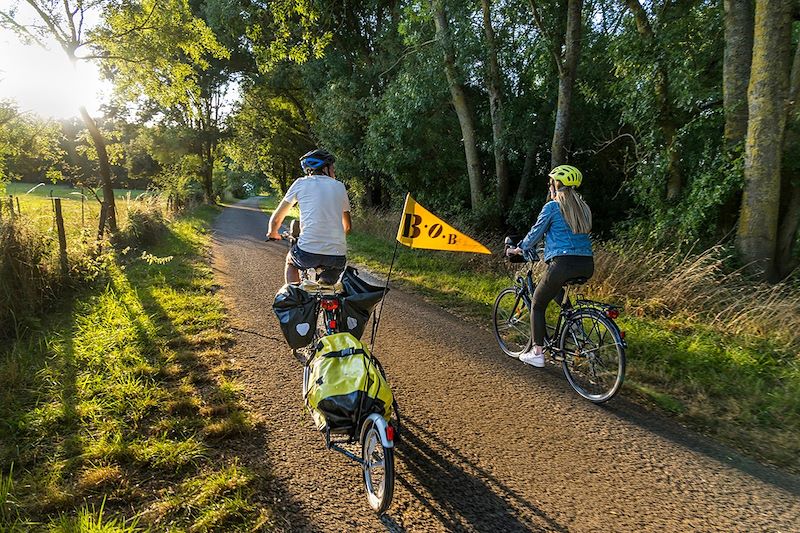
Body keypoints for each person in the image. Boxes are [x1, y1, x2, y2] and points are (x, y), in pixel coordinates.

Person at [507, 164, 594, 367]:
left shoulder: (553, 207)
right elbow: (570, 237)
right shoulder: (583, 208)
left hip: (563, 264)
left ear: (556, 184)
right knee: (556, 290)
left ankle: (537, 353)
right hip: (586, 264)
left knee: (537, 303)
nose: (550, 186)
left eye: (551, 183)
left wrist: (519, 249)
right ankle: (575, 328)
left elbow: (535, 234)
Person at [267, 148, 352, 284]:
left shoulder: (301, 183)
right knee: (327, 287)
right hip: (337, 256)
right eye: (332, 167)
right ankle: (327, 294)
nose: (334, 170)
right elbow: (347, 226)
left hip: (307, 253)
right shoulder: (339, 186)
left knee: (291, 262)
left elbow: (277, 218)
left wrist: (273, 232)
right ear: (325, 168)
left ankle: (294, 298)